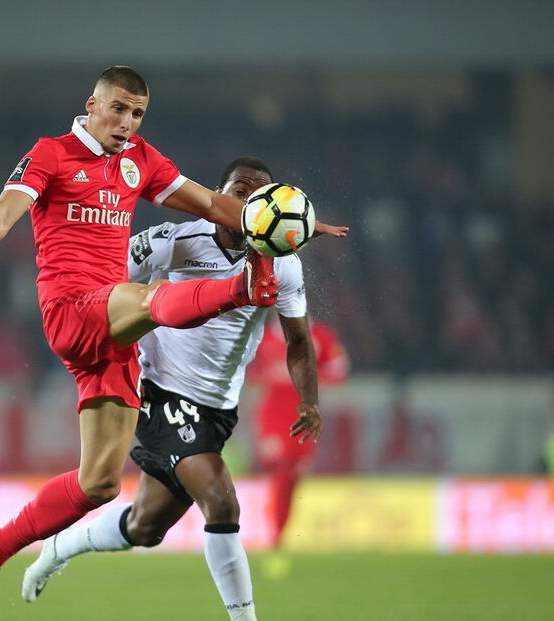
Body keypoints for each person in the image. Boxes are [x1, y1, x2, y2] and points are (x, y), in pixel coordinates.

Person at [0, 67, 347, 620]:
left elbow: (216, 206)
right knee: (151, 302)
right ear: (93, 105)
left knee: (99, 484)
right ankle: (240, 288)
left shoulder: (140, 161)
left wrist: (291, 222)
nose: (127, 122)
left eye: (138, 113)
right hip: (74, 308)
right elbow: (3, 214)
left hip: (115, 336)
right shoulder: (51, 154)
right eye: (119, 109)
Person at [20, 157, 325, 621]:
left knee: (145, 527)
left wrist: (310, 399)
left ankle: (59, 547)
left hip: (218, 409)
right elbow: (104, 285)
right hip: (160, 391)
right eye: (238, 192)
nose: (248, 202)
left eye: (259, 193)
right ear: (218, 199)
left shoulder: (283, 265)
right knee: (221, 498)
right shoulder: (172, 242)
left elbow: (299, 342)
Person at [248, 313, 348, 567]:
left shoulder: (320, 336)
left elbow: (339, 370)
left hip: (304, 415)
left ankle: (278, 536)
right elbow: (248, 371)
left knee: (293, 478)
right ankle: (273, 538)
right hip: (273, 416)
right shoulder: (263, 336)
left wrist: (310, 379)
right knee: (280, 471)